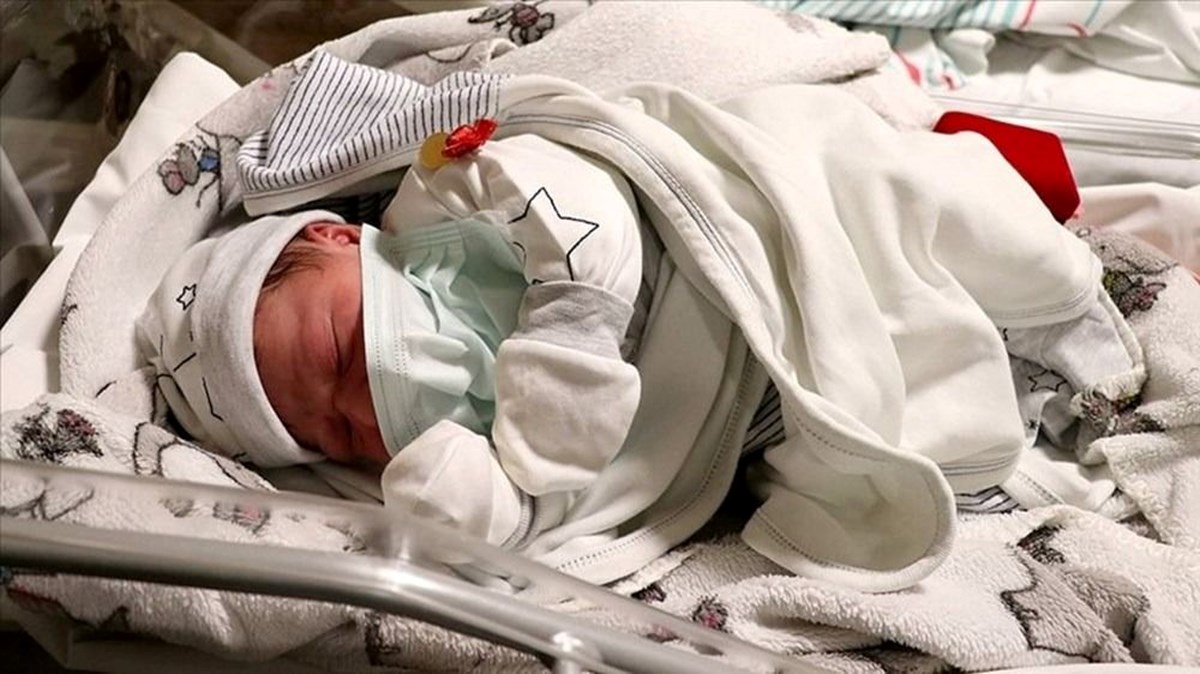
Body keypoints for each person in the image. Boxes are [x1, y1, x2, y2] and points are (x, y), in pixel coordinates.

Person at [138, 133, 664, 544]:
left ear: (338, 237)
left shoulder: (444, 204)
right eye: (341, 435)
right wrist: (477, 506)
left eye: (341, 353)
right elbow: (552, 505)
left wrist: (573, 332)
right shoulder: (441, 446)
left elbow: (582, 206)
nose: (362, 407)